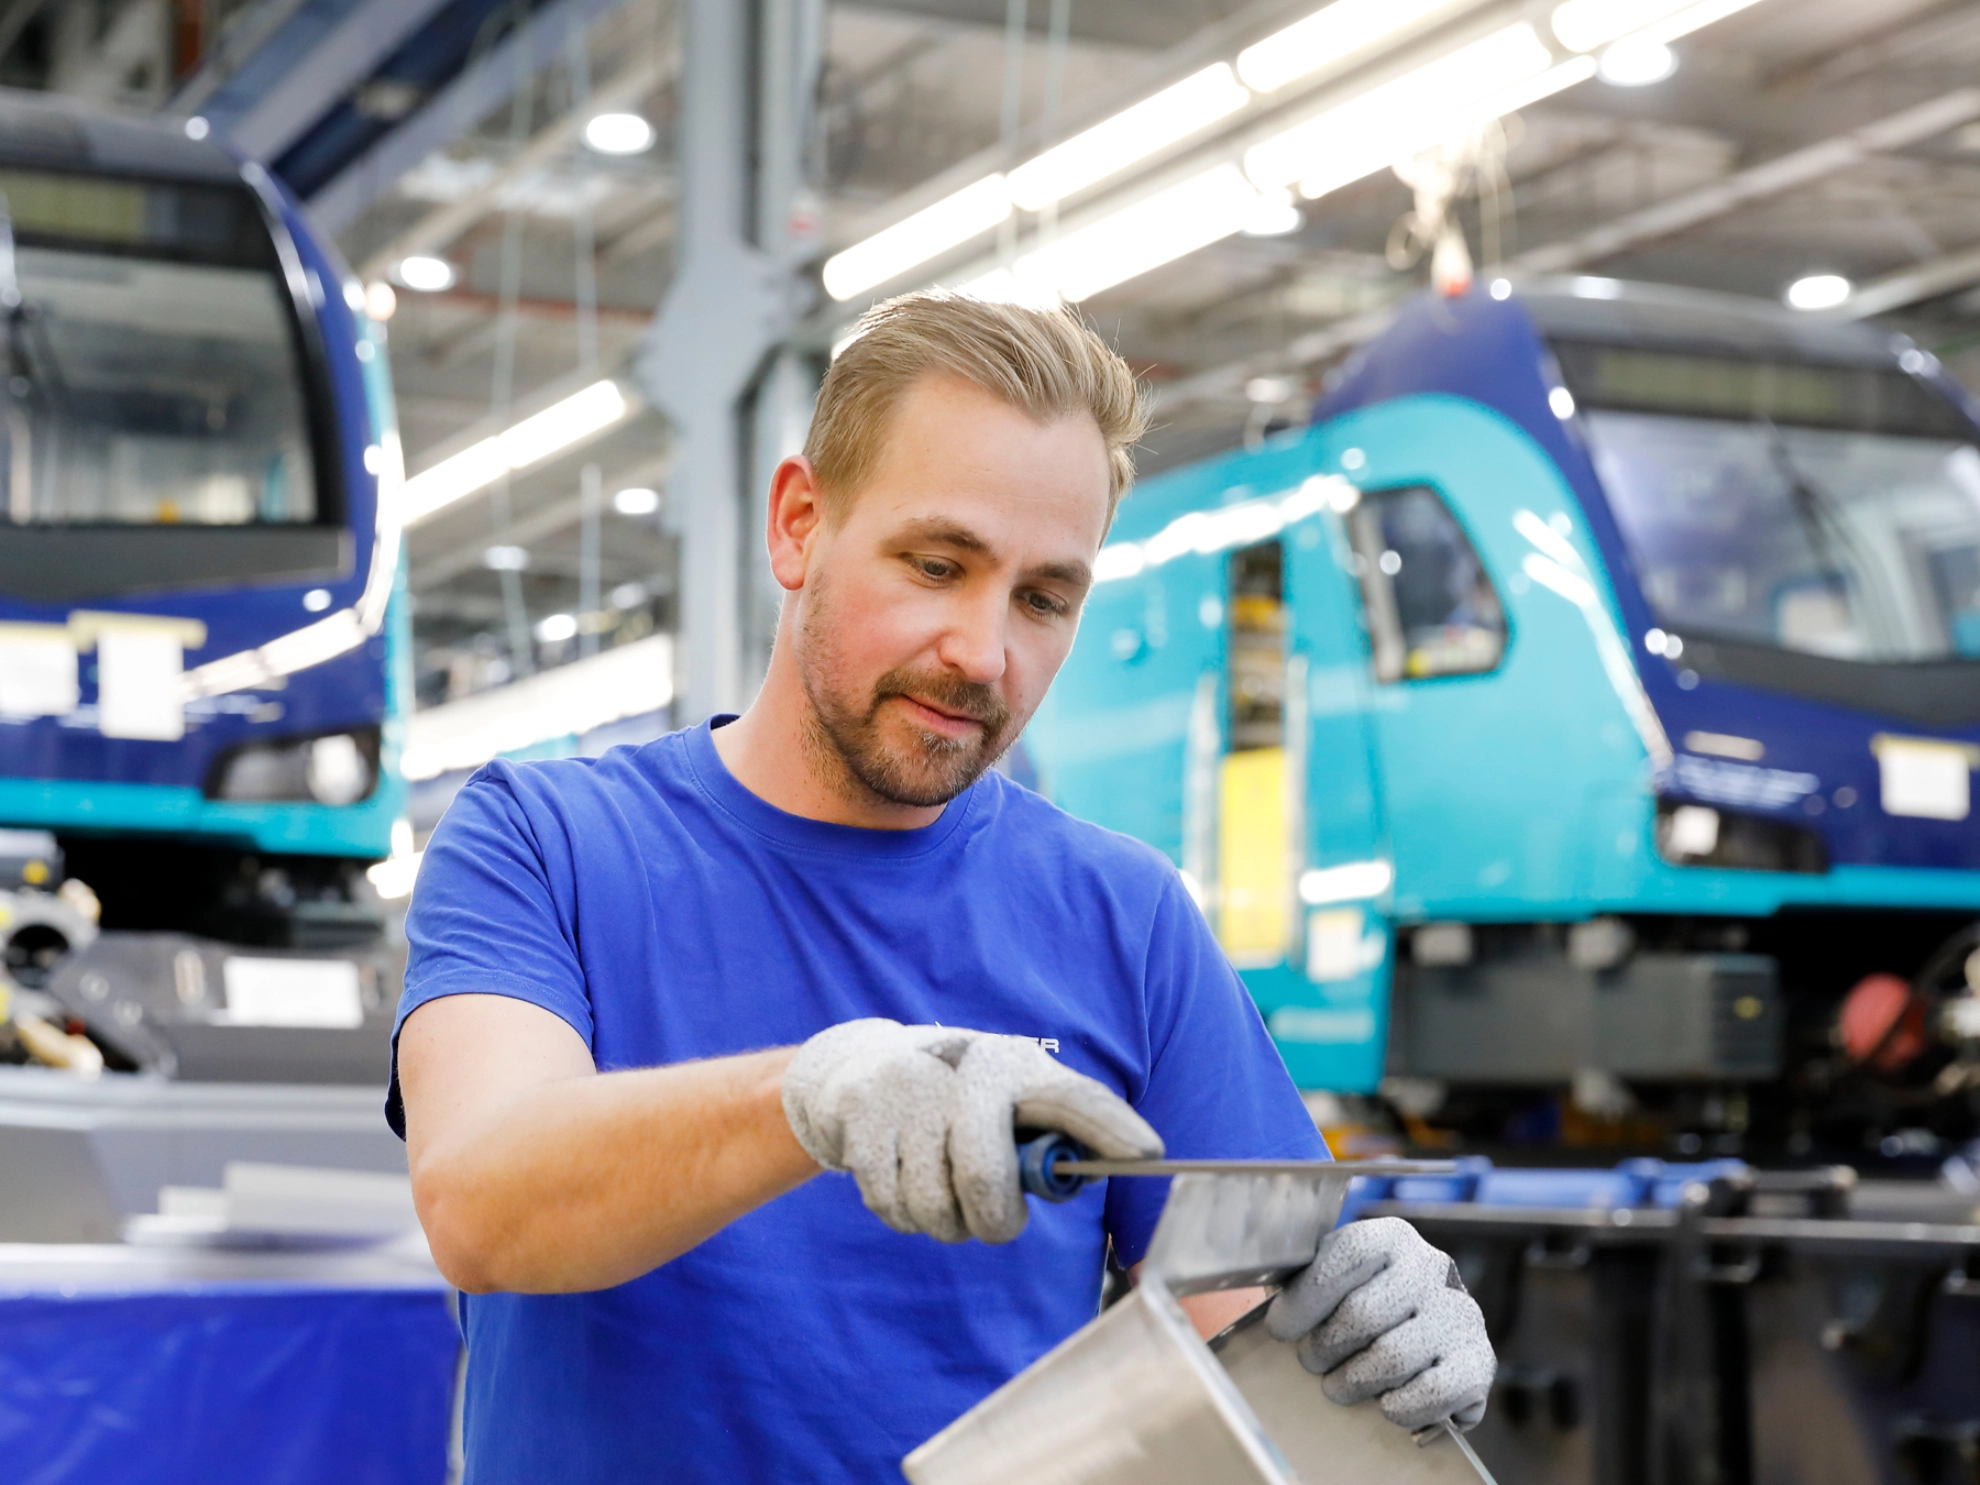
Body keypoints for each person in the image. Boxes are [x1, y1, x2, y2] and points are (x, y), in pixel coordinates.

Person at [392, 292, 1494, 1483]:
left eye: (1043, 599)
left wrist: (1374, 1337)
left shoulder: (1125, 919)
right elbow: (480, 1201)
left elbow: (1262, 1342)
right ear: (800, 523)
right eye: (937, 564)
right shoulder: (544, 841)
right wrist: (815, 1093)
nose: (984, 653)